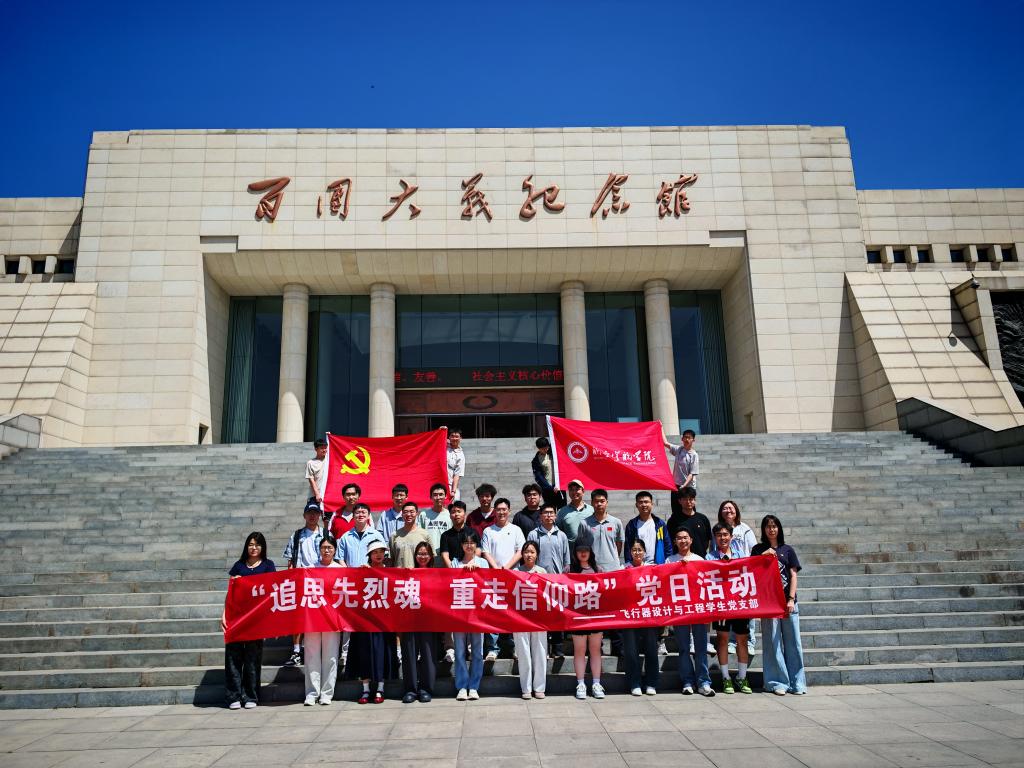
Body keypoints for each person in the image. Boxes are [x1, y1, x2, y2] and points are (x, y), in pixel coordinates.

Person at [752, 515, 806, 696]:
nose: (771, 529)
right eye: (768, 526)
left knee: (794, 644)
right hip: (769, 604)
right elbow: (752, 570)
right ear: (763, 529)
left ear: (779, 529)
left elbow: (793, 575)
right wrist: (762, 556)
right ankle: (777, 682)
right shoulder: (757, 549)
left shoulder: (787, 550)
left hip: (788, 603)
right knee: (772, 644)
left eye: (774, 526)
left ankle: (797, 683)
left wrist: (791, 598)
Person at [222, 532, 276, 709]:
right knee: (233, 657)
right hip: (237, 617)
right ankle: (233, 696)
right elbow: (230, 593)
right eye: (251, 544)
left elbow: (272, 590)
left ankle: (251, 696)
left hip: (256, 619)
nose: (254, 548)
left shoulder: (268, 565)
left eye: (258, 545)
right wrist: (224, 614)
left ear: (263, 547)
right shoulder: (238, 566)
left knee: (253, 658)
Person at [666, 528, 713, 697]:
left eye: (685, 537)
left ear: (691, 540)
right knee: (684, 648)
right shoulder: (670, 560)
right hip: (680, 610)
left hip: (698, 609)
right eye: (679, 538)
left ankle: (703, 682)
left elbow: (706, 583)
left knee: (700, 647)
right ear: (675, 541)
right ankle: (687, 681)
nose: (683, 541)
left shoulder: (699, 559)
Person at [707, 523, 752, 694]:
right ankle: (726, 678)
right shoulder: (709, 557)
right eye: (719, 535)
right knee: (723, 639)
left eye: (725, 534)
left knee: (742, 639)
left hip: (739, 603)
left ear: (731, 537)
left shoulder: (741, 555)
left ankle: (742, 677)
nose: (723, 538)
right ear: (715, 538)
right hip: (721, 604)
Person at [282, 500, 325, 668]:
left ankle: (315, 649)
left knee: (318, 616)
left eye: (315, 513)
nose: (312, 516)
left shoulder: (325, 534)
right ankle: (296, 650)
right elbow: (291, 561)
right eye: (309, 513)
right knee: (298, 616)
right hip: (301, 579)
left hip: (320, 580)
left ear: (319, 515)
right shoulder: (297, 535)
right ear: (304, 515)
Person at [481, 497, 524, 660]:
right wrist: (497, 569)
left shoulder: (516, 530)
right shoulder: (488, 531)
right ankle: (493, 648)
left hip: (512, 576)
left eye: (504, 509)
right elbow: (485, 552)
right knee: (493, 612)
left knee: (513, 612)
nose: (501, 512)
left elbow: (520, 551)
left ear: (509, 511)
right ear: (494, 511)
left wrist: (506, 568)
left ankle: (514, 646)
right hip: (494, 578)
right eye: (498, 509)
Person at [348, 540, 390, 703]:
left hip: (383, 620)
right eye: (375, 552)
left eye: (381, 551)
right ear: (369, 555)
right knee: (364, 653)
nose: (378, 555)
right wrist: (362, 573)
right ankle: (365, 690)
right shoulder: (363, 571)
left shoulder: (390, 571)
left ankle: (380, 688)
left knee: (381, 654)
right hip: (364, 620)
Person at [527, 502, 570, 659]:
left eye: (551, 513)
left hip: (557, 581)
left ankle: (557, 648)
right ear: (540, 516)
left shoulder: (561, 535)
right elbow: (529, 556)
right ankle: (542, 648)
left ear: (556, 516)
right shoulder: (533, 535)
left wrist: (564, 577)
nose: (548, 515)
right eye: (545, 513)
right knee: (542, 615)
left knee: (557, 615)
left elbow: (566, 560)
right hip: (539, 581)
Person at [303, 536, 343, 705]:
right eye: (323, 547)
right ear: (319, 550)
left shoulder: (340, 569)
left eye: (329, 548)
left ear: (334, 550)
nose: (326, 550)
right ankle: (312, 693)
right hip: (312, 618)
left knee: (331, 656)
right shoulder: (310, 569)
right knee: (311, 655)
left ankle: (326, 693)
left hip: (332, 619)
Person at [450, 528, 488, 700]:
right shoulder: (455, 563)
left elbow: (488, 584)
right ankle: (461, 686)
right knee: (459, 651)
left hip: (477, 613)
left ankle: (474, 686)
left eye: (472, 542)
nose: (469, 546)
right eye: (466, 542)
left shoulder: (483, 563)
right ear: (461, 545)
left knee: (477, 651)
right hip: (459, 612)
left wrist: (477, 572)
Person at [400, 541, 439, 703]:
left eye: (426, 554)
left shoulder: (437, 575)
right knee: (409, 654)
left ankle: (426, 689)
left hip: (429, 621)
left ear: (431, 556)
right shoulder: (408, 574)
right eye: (420, 554)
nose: (423, 557)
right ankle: (410, 689)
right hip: (410, 619)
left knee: (428, 655)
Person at [718, 499, 757, 657]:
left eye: (731, 508)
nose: (728, 511)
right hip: (726, 575)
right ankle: (733, 641)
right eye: (725, 508)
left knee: (747, 608)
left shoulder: (744, 528)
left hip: (743, 573)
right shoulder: (719, 529)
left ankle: (750, 641)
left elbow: (754, 549)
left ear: (736, 511)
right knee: (732, 607)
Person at [621, 539, 659, 696]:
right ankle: (634, 683)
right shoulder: (623, 569)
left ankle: (651, 683)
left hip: (649, 615)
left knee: (651, 649)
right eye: (634, 550)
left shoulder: (653, 568)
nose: (637, 552)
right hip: (629, 616)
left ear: (645, 552)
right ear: (630, 552)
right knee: (631, 650)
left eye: (640, 549)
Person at [569, 541, 604, 700]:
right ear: (575, 552)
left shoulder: (598, 570)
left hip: (595, 616)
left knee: (595, 649)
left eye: (586, 550)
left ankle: (596, 683)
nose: (583, 553)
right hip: (577, 617)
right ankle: (581, 683)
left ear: (591, 551)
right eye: (579, 550)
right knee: (579, 650)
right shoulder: (569, 569)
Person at [514, 540, 548, 699]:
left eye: (532, 552)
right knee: (523, 654)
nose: (529, 555)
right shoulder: (515, 572)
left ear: (537, 555)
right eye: (526, 552)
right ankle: (526, 688)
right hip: (520, 618)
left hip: (539, 618)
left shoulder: (542, 572)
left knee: (540, 652)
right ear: (522, 554)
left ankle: (539, 687)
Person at [580, 489, 623, 572]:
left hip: (613, 567)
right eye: (596, 501)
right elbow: (582, 546)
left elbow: (619, 544)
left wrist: (612, 558)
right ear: (592, 503)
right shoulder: (584, 523)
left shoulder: (616, 522)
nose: (599, 504)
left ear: (607, 502)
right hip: (592, 567)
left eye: (602, 501)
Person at [625, 491, 672, 565]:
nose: (644, 505)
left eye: (646, 502)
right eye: (641, 502)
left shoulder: (660, 524)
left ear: (652, 504)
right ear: (636, 505)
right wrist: (629, 565)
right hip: (639, 566)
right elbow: (628, 547)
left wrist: (668, 563)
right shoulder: (632, 525)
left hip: (657, 565)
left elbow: (668, 546)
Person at [666, 486, 711, 557]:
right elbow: (669, 541)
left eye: (691, 499)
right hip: (680, 559)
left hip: (700, 558)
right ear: (679, 501)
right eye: (685, 499)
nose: (688, 502)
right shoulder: (673, 520)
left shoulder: (703, 519)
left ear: (694, 500)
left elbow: (708, 540)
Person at [665, 429, 699, 518]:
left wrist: (684, 485)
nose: (687, 439)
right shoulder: (679, 449)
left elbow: (692, 473)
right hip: (676, 485)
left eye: (689, 438)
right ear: (682, 439)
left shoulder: (694, 455)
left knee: (689, 508)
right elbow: (665, 443)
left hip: (688, 487)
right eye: (685, 437)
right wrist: (660, 426)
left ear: (693, 440)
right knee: (676, 509)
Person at [389, 501, 432, 568]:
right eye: (405, 512)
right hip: (399, 574)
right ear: (402, 514)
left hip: (419, 574)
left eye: (412, 512)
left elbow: (431, 558)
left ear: (417, 513)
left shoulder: (425, 534)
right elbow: (392, 559)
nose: (408, 514)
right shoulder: (394, 535)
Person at [418, 483, 453, 557]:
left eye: (441, 494)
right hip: (429, 554)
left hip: (446, 554)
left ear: (446, 496)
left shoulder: (450, 515)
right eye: (435, 495)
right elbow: (420, 535)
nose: (438, 497)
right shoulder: (423, 515)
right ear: (430, 497)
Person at [556, 479, 593, 547]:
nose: (574, 492)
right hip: (570, 551)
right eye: (571, 490)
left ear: (583, 491)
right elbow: (558, 533)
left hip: (589, 550)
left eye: (577, 489)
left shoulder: (591, 510)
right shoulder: (562, 512)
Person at [531, 436, 563, 509]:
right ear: (538, 448)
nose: (546, 449)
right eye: (543, 448)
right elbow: (539, 476)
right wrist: (550, 488)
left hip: (559, 486)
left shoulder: (553, 453)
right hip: (548, 488)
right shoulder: (536, 461)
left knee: (562, 508)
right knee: (550, 509)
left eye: (547, 447)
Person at [376, 483, 409, 548]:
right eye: (396, 495)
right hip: (388, 551)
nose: (399, 498)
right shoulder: (384, 515)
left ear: (406, 497)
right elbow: (379, 534)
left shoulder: (410, 515)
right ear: (392, 497)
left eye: (401, 495)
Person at [305, 439, 327, 508]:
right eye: (322, 448)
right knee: (312, 514)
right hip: (314, 496)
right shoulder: (311, 463)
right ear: (316, 449)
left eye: (325, 448)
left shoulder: (329, 460)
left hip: (328, 494)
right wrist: (317, 494)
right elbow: (311, 480)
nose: (324, 450)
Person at [447, 428, 465, 502]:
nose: (454, 438)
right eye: (452, 436)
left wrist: (453, 491)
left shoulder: (461, 455)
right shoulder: (443, 446)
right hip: (437, 481)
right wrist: (440, 431)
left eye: (457, 436)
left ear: (460, 438)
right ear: (449, 437)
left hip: (449, 484)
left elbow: (457, 474)